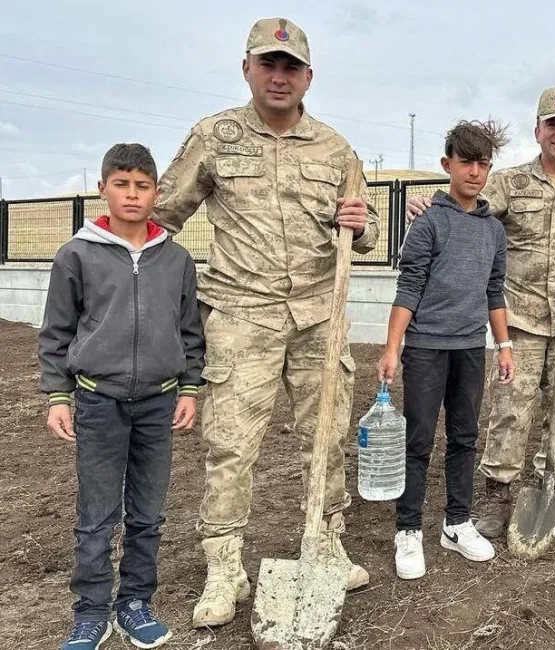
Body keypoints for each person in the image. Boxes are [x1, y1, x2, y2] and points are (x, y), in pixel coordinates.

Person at [153, 17, 379, 627]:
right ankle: (224, 568)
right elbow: (161, 215)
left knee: (327, 438)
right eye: (268, 64)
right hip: (241, 317)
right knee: (230, 446)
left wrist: (362, 225)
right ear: (247, 68)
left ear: (309, 77)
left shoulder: (336, 149)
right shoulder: (214, 136)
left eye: (291, 68)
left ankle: (326, 543)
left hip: (317, 318)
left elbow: (367, 232)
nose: (279, 77)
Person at [406, 87, 555, 538]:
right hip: (518, 319)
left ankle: (553, 491)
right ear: (538, 130)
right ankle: (497, 497)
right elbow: (468, 209)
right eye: (551, 124)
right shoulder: (509, 183)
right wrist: (429, 206)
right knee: (510, 411)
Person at [40, 143, 205, 650]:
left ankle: (135, 602)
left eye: (142, 186)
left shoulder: (175, 260)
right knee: (96, 514)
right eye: (121, 184)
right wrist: (58, 396)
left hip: (159, 402)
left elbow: (190, 331)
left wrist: (190, 387)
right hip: (97, 401)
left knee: (148, 512)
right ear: (103, 189)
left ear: (157, 193)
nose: (132, 195)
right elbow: (56, 332)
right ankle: (91, 611)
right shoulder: (76, 254)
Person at [377, 120, 515, 580]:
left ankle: (456, 522)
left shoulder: (493, 230)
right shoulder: (428, 223)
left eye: (483, 163)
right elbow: (409, 287)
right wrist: (392, 348)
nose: (474, 172)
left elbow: (495, 291)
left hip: (471, 349)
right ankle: (408, 529)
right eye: (466, 162)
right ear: (447, 165)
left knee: (464, 438)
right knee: (418, 439)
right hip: (426, 349)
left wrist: (505, 345)